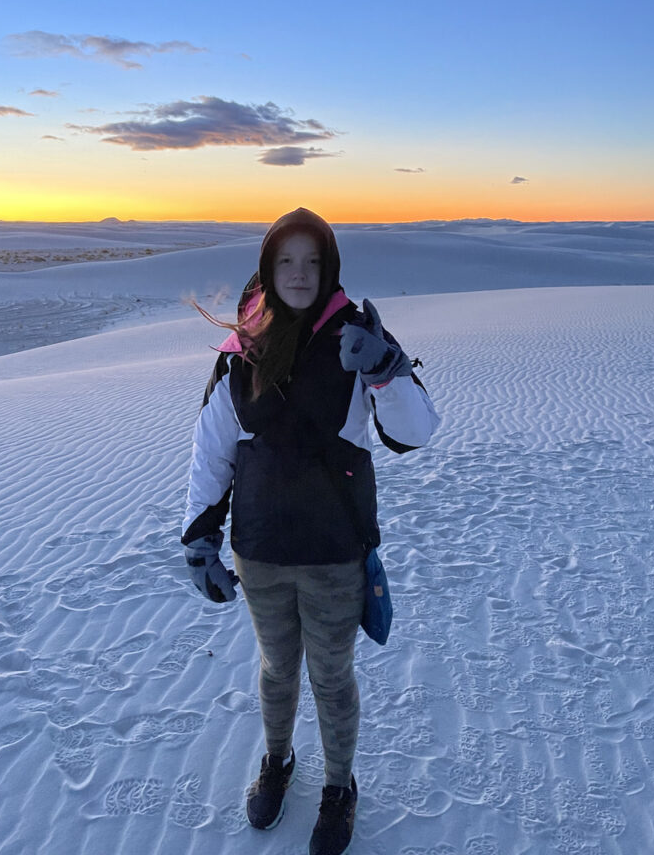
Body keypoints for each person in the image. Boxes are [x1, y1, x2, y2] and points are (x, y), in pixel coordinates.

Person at [181, 208, 439, 855]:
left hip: (332, 553)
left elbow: (414, 430)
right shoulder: (244, 346)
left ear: (330, 268)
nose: (300, 274)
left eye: (313, 261)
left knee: (331, 677)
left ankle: (339, 788)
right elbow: (212, 448)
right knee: (276, 671)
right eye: (286, 261)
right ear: (268, 268)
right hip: (260, 551)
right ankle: (277, 762)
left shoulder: (359, 335)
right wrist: (199, 535)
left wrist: (386, 367)